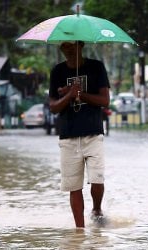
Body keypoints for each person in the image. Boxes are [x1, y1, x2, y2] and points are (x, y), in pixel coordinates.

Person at [48, 41, 110, 228]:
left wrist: (80, 94)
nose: (69, 50)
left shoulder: (96, 67)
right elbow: (53, 107)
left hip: (93, 133)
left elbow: (105, 100)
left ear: (81, 46)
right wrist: (68, 95)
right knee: (74, 186)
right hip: (68, 136)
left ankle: (97, 209)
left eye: (73, 47)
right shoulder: (57, 72)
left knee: (97, 178)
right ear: (62, 50)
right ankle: (80, 230)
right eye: (65, 47)